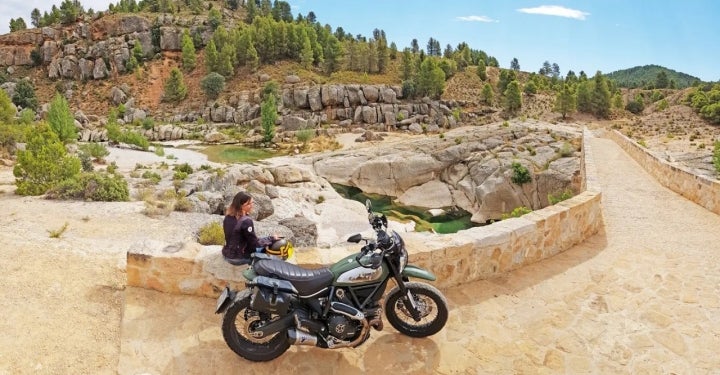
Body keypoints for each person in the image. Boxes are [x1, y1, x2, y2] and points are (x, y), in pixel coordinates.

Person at [222, 192, 276, 265]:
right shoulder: (246, 221)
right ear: (241, 206)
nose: (252, 206)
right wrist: (271, 239)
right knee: (270, 247)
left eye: (252, 203)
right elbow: (255, 244)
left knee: (263, 239)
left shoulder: (228, 217)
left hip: (226, 254)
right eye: (249, 204)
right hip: (238, 258)